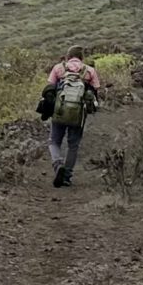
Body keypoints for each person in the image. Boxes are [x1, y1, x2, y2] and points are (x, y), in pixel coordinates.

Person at [36, 49, 100, 187]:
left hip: (59, 111)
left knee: (54, 141)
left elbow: (49, 89)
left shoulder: (58, 68)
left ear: (67, 57)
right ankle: (66, 176)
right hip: (78, 116)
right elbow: (95, 92)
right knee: (73, 145)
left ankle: (58, 164)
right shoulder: (89, 71)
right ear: (82, 57)